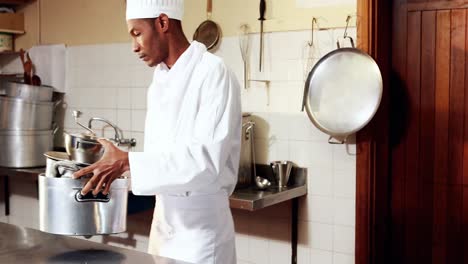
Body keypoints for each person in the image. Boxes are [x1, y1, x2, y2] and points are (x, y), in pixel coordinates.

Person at [72, 0, 242, 263]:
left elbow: (206, 163)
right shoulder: (159, 82)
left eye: (137, 33)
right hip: (163, 227)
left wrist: (127, 161)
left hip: (201, 235)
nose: (134, 46)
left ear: (162, 23)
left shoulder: (213, 73)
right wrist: (120, 172)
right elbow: (162, 158)